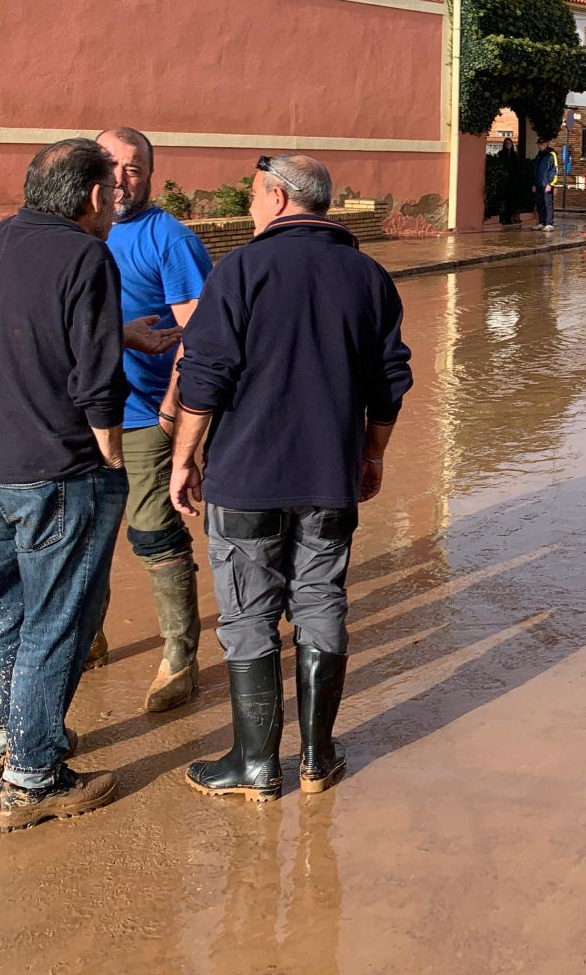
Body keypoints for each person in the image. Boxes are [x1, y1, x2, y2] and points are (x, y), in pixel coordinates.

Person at [169, 154, 413, 800]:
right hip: (329, 479)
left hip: (246, 480)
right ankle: (317, 758)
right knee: (321, 603)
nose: (250, 207)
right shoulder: (369, 277)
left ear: (277, 198)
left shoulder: (241, 269)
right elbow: (391, 382)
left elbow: (205, 373)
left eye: (253, 196)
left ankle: (254, 766)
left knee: (248, 615)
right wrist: (373, 454)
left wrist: (184, 457)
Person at [0, 138, 128, 832]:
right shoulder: (87, 254)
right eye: (110, 195)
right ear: (91, 197)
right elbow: (94, 380)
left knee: (5, 607)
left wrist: (123, 333)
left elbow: (31, 335)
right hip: (54, 472)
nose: (114, 207)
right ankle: (32, 780)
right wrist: (111, 452)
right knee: (58, 621)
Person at [92, 127, 213, 713]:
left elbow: (202, 336)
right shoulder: (77, 234)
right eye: (110, 164)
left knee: (153, 533)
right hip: (84, 414)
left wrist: (171, 413)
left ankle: (179, 657)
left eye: (133, 167)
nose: (120, 177)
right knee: (80, 531)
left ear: (150, 176)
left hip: (144, 417)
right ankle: (88, 639)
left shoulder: (170, 240)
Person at [534, 139, 559, 231]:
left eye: (541, 144)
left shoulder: (551, 154)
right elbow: (536, 170)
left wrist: (551, 183)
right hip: (539, 183)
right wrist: (534, 183)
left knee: (548, 204)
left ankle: (549, 223)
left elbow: (555, 170)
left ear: (546, 144)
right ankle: (542, 222)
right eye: (539, 144)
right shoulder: (539, 155)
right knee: (540, 204)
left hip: (547, 184)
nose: (540, 146)